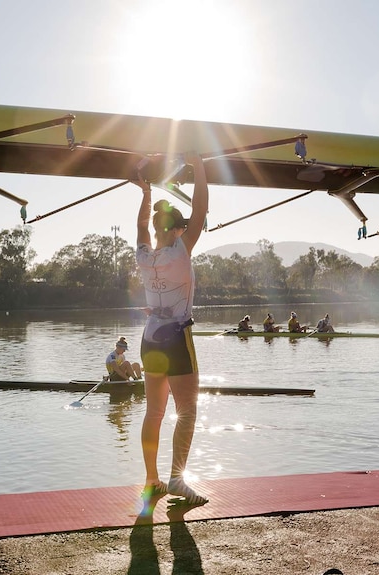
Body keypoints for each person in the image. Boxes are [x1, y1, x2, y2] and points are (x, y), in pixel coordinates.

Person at [135, 151, 209, 505]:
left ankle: (152, 481)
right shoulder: (181, 251)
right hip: (178, 338)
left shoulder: (143, 255)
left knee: (154, 413)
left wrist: (145, 193)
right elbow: (202, 211)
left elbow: (140, 228)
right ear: (177, 230)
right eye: (183, 227)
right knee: (187, 411)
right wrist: (200, 167)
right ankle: (176, 479)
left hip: (150, 339)